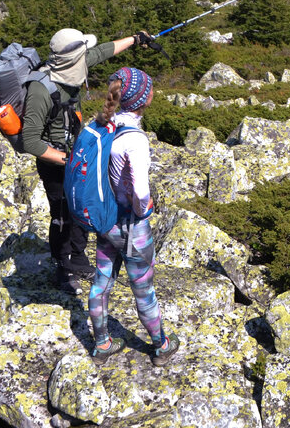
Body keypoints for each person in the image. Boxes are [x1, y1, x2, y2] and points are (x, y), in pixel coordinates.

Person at [19, 27, 151, 293]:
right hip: (56, 163)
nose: (87, 57)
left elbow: (104, 51)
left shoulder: (73, 64)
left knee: (83, 205)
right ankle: (63, 267)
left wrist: (135, 40)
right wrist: (71, 160)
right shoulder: (40, 91)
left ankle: (78, 257)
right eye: (83, 54)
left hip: (78, 155)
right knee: (62, 214)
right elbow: (29, 141)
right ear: (72, 58)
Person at [87, 66, 180, 367]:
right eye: (150, 87)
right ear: (144, 98)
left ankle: (102, 344)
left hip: (105, 221)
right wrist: (145, 211)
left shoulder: (102, 124)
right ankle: (161, 346)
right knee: (144, 290)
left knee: (101, 283)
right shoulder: (135, 139)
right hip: (132, 227)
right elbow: (140, 191)